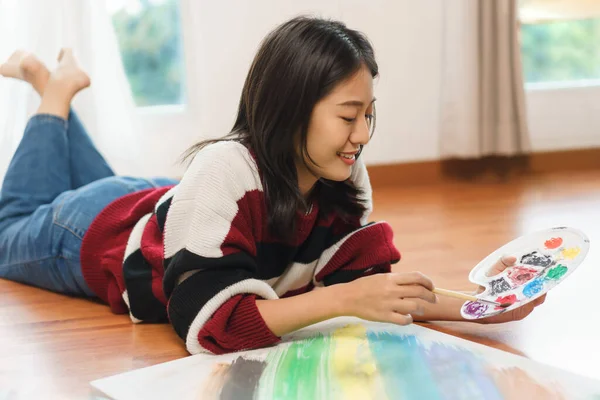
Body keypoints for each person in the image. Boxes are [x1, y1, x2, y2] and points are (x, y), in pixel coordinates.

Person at [0, 16, 544, 355]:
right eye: (348, 115)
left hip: (172, 205)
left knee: (83, 185)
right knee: (11, 224)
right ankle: (54, 92)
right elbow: (208, 323)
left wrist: (488, 303)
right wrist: (343, 299)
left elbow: (376, 292)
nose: (362, 136)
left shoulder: (343, 171)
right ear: (290, 111)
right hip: (99, 233)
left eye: (368, 114)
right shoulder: (224, 170)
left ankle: (56, 91)